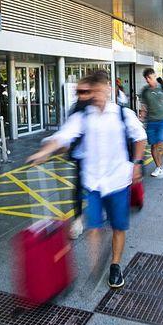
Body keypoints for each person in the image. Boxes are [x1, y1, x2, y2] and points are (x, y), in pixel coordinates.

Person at [29, 71, 146, 288]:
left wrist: (137, 164)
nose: (98, 96)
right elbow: (63, 136)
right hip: (94, 182)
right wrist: (44, 152)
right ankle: (95, 265)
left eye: (102, 91)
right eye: (94, 92)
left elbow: (140, 137)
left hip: (118, 181)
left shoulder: (123, 114)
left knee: (119, 227)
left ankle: (115, 265)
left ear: (108, 89)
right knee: (93, 227)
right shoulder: (82, 117)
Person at [66, 77, 95, 240]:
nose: (81, 95)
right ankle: (77, 222)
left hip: (96, 157)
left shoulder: (97, 109)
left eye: (84, 92)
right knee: (77, 189)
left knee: (95, 188)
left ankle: (99, 209)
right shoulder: (75, 108)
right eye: (78, 92)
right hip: (80, 157)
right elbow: (69, 132)